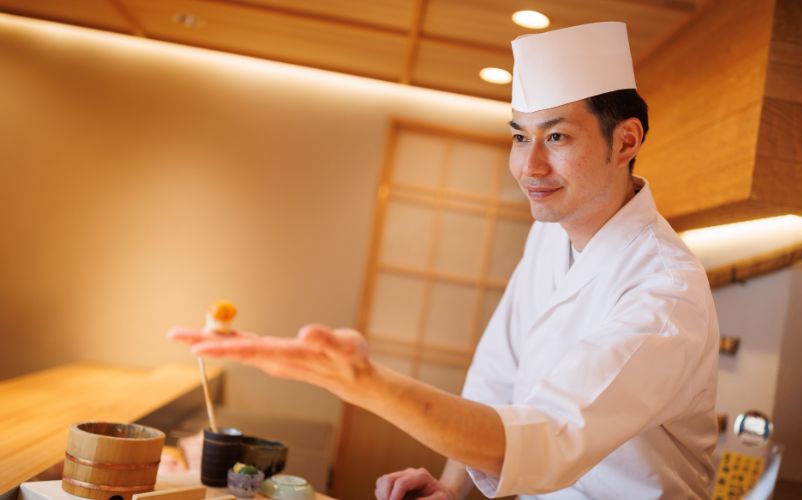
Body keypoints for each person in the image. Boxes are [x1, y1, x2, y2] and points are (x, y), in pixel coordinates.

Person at [169, 22, 719, 499]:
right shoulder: (550, 238)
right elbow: (498, 377)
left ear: (625, 143)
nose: (530, 166)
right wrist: (452, 486)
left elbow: (548, 438)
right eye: (520, 136)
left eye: (556, 136)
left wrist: (364, 383)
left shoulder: (665, 292)